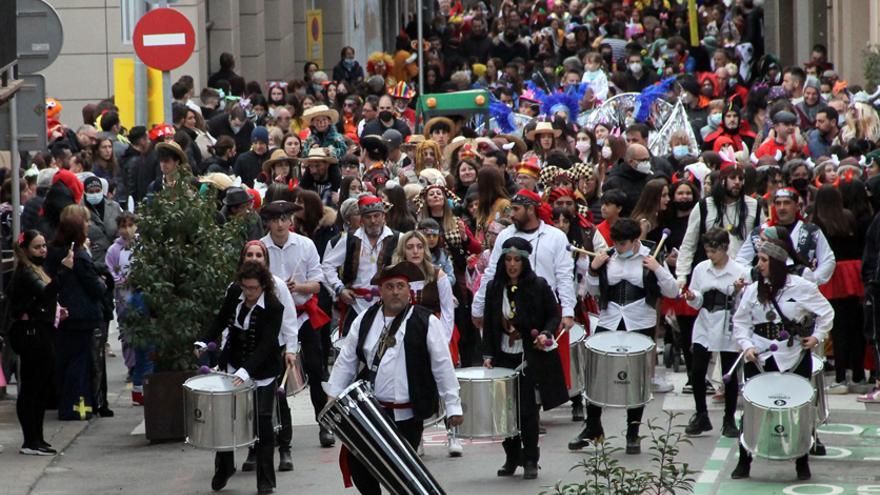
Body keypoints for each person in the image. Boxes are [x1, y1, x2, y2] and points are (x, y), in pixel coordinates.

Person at [326, 261, 464, 495]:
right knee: (359, 466)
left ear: (409, 290)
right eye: (389, 286)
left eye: (400, 286)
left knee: (401, 478)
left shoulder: (426, 321)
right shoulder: (365, 319)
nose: (395, 291)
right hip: (370, 413)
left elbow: (442, 366)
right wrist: (332, 395)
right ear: (380, 291)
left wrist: (453, 406)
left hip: (408, 416)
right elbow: (346, 360)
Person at [568, 218, 678, 453]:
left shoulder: (653, 256)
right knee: (595, 371)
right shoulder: (608, 256)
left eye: (624, 244)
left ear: (636, 240)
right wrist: (594, 270)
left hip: (640, 321)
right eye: (616, 243)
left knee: (635, 377)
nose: (619, 248)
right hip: (610, 319)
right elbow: (594, 291)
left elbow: (672, 291)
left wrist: (658, 269)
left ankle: (633, 432)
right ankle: (593, 427)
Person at [730, 238, 834, 481]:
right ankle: (745, 459)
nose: (759, 264)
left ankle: (802, 461)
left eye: (764, 260)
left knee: (800, 408)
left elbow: (827, 312)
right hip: (760, 356)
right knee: (753, 407)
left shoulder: (801, 287)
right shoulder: (753, 289)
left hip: (794, 355)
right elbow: (740, 322)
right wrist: (746, 346)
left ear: (777, 263)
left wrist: (817, 337)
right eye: (758, 259)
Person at [473, 189, 577, 393]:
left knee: (538, 366)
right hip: (508, 308)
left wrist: (568, 311)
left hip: (542, 307)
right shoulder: (505, 235)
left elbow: (564, 276)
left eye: (516, 209)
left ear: (531, 209)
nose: (511, 214)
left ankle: (532, 414)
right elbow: (491, 272)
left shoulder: (555, 237)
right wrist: (478, 306)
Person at [482, 237, 569, 480]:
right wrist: (487, 354)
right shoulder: (493, 287)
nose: (512, 265)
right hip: (503, 357)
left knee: (528, 411)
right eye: (508, 260)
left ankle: (531, 458)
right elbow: (489, 325)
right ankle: (512, 456)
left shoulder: (538, 286)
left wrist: (545, 333)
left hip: (528, 357)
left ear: (524, 262)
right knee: (504, 412)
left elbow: (553, 315)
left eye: (517, 260)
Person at [196, 261, 284, 494]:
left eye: (253, 288)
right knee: (226, 419)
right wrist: (204, 341)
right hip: (232, 365)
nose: (248, 293)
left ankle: (265, 479)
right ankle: (224, 468)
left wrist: (246, 371)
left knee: (263, 422)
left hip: (263, 372)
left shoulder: (275, 307)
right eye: (245, 287)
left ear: (263, 286)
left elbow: (267, 345)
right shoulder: (236, 293)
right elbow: (220, 319)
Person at [259, 201, 335, 449]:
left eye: (285, 219)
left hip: (303, 314)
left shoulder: (305, 244)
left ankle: (324, 422)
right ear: (268, 223)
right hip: (274, 319)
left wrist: (297, 287)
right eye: (275, 219)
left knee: (316, 367)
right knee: (276, 373)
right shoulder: (260, 248)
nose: (280, 224)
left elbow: (317, 284)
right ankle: (281, 432)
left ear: (291, 221)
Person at [391, 230, 459, 456]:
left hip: (437, 331)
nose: (415, 251)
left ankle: (453, 434)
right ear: (403, 250)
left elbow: (448, 311)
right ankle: (417, 437)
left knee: (444, 383)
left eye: (419, 246)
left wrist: (444, 341)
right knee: (414, 384)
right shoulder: (396, 276)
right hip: (408, 337)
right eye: (410, 247)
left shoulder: (436, 275)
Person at [681, 228, 747, 437]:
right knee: (698, 370)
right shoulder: (701, 269)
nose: (710, 256)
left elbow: (745, 303)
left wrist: (738, 290)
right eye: (707, 251)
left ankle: (729, 419)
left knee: (729, 373)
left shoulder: (739, 270)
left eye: (714, 252)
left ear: (725, 249)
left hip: (728, 324)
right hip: (705, 323)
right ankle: (701, 414)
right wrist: (692, 297)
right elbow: (697, 300)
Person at [44, 205, 107, 421]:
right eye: (86, 221)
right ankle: (79, 407)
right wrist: (102, 282)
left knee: (65, 362)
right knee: (80, 364)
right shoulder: (79, 255)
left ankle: (70, 405)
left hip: (63, 317)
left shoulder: (54, 251)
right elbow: (96, 287)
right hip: (82, 317)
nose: (89, 225)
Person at [9, 230, 69, 455]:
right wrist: (64, 270)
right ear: (25, 250)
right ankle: (30, 440)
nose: (43, 250)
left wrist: (55, 312)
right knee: (32, 387)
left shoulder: (36, 270)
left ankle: (38, 438)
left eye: (44, 246)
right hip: (30, 335)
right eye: (37, 247)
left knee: (41, 387)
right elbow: (45, 293)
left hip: (39, 331)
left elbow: (41, 301)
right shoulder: (26, 272)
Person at [321, 195, 399, 335]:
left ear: (383, 217)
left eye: (377, 216)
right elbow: (327, 265)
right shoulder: (349, 239)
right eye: (368, 217)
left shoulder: (398, 238)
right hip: (356, 304)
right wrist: (340, 289)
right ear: (362, 220)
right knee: (352, 347)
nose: (373, 221)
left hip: (389, 304)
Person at [677, 163, 762, 285]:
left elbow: (762, 242)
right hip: (710, 274)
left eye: (741, 179)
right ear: (722, 180)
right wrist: (682, 275)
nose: (737, 182)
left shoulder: (754, 206)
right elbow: (689, 243)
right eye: (733, 178)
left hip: (743, 274)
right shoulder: (704, 206)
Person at [736, 188, 836, 285]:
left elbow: (827, 260)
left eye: (787, 203)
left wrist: (813, 280)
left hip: (800, 290)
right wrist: (754, 277)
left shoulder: (811, 231)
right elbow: (741, 260)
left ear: (797, 206)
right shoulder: (759, 232)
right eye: (778, 203)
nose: (782, 207)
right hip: (766, 290)